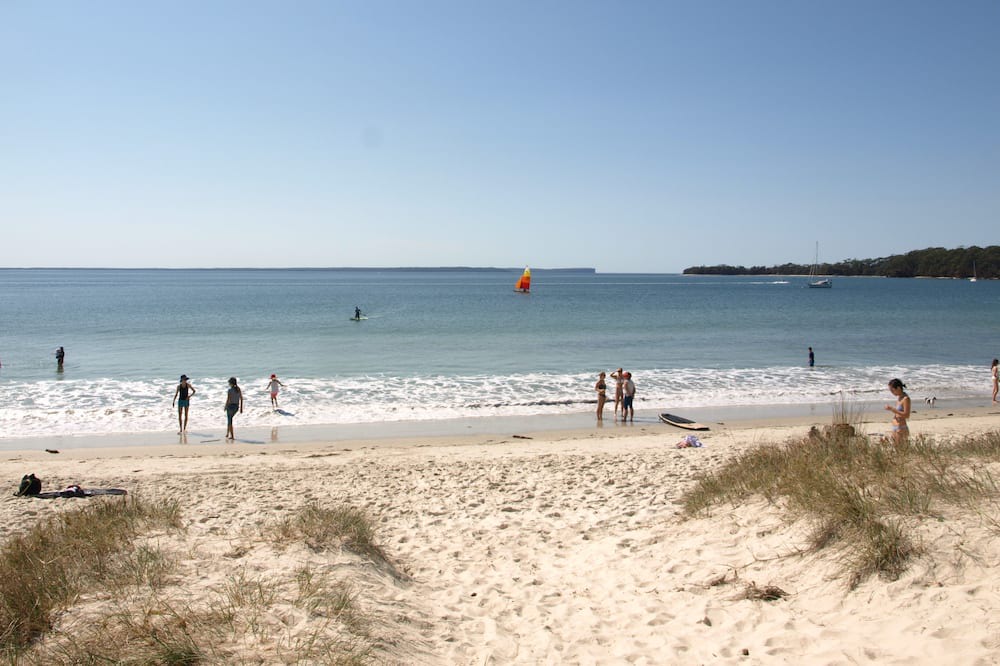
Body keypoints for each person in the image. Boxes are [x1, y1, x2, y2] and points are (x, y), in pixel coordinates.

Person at [884, 378, 910, 445]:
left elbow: (907, 415)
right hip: (895, 427)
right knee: (896, 450)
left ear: (898, 388)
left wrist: (893, 409)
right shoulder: (899, 398)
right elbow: (898, 413)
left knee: (900, 451)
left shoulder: (906, 399)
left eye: (892, 390)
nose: (892, 393)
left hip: (901, 428)